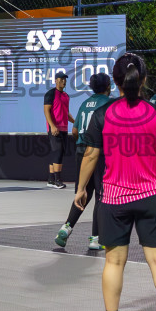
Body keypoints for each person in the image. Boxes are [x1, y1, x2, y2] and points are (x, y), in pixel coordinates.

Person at [76, 53, 156, 311]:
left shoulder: (103, 115)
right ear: (144, 79)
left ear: (116, 82)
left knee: (113, 262)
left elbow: (90, 155)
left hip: (113, 199)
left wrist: (81, 189)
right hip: (152, 197)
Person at [55, 72, 113, 249]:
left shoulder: (85, 103)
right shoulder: (110, 104)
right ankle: (95, 238)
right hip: (99, 152)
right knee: (101, 196)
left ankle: (66, 228)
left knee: (83, 193)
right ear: (109, 87)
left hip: (81, 151)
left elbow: (74, 131)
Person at [42, 69, 73, 189]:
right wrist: (52, 126)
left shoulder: (66, 95)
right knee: (58, 152)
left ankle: (50, 180)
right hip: (54, 129)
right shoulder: (50, 94)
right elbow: (46, 111)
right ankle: (58, 180)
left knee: (57, 152)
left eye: (65, 80)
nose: (63, 82)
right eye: (61, 79)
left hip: (64, 129)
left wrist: (75, 122)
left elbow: (66, 113)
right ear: (56, 81)